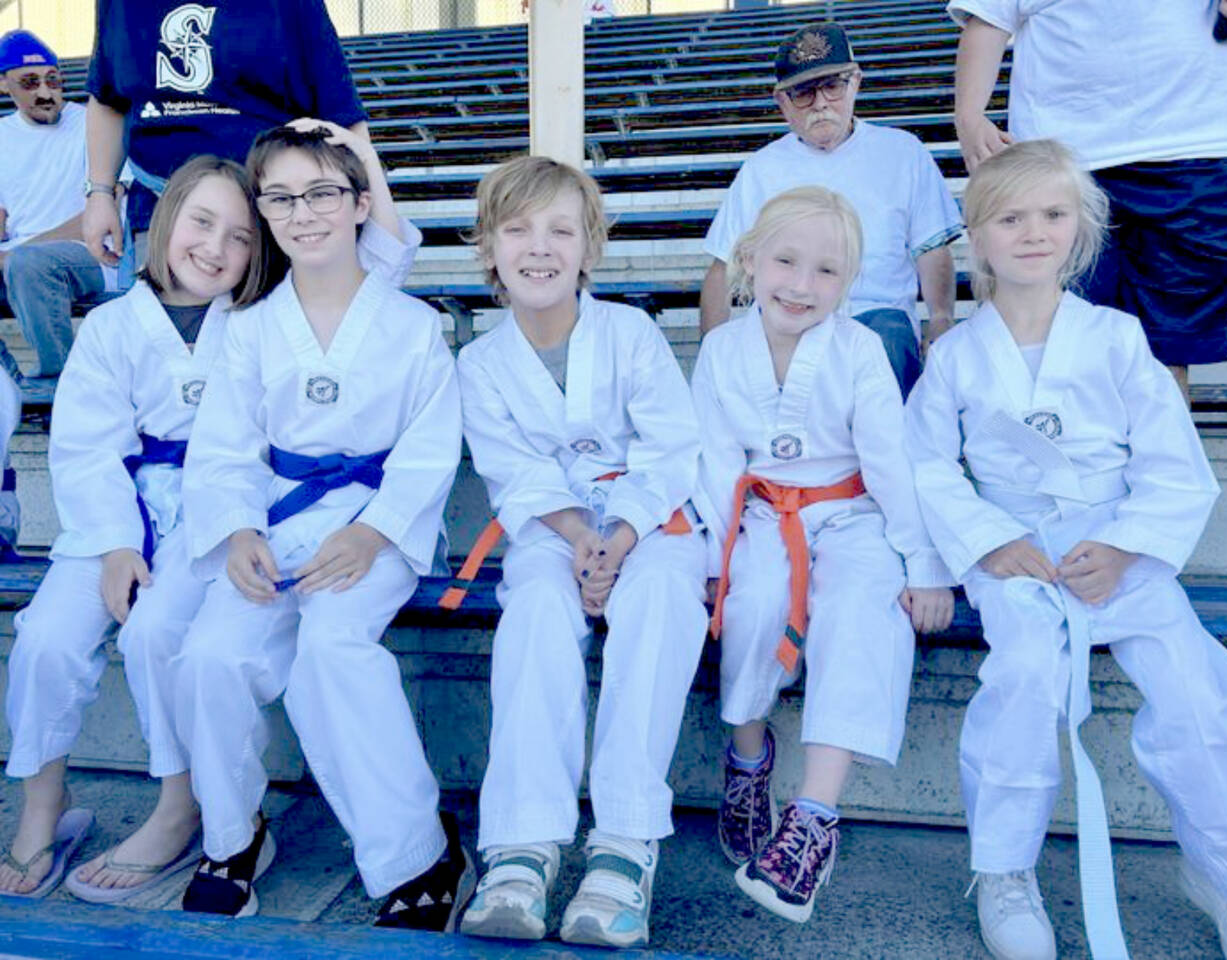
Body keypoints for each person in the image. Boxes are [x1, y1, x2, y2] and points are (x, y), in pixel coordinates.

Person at [0, 122, 421, 903]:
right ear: (163, 222)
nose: (214, 248)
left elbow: (385, 260)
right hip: (114, 517)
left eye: (238, 235)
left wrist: (360, 159)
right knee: (47, 640)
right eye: (200, 222)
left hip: (219, 516)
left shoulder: (264, 313)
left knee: (161, 632)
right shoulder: (115, 328)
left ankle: (178, 805)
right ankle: (43, 809)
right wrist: (120, 543)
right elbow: (87, 450)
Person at [906, 139, 1227, 960]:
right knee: (1026, 680)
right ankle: (1004, 871)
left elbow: (1174, 465)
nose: (1033, 232)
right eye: (1009, 217)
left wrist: (1121, 547)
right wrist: (988, 541)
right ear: (977, 234)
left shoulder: (1116, 338)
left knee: (1196, 697)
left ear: (1080, 231)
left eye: (1052, 215)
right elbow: (925, 464)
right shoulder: (959, 357)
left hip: (1119, 553)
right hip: (1019, 561)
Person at [173, 126, 469, 927]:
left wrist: (375, 532)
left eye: (323, 194)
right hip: (275, 522)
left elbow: (430, 449)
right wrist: (237, 532)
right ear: (263, 211)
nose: (303, 214)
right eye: (281, 198)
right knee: (210, 654)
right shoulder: (247, 323)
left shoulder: (412, 324)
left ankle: (417, 853)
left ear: (360, 204)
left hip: (371, 527)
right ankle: (233, 837)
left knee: (332, 649)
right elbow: (226, 447)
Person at [452, 156, 707, 949]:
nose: (540, 247)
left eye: (561, 229)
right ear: (488, 248)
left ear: (589, 248)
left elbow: (671, 448)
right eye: (518, 228)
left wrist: (621, 534)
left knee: (661, 603)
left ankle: (625, 843)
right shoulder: (478, 362)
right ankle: (523, 846)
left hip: (651, 524)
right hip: (552, 530)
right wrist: (578, 538)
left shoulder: (630, 334)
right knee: (532, 608)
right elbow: (513, 470)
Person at [692, 186, 954, 924]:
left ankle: (814, 815)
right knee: (752, 602)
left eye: (828, 272)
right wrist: (713, 560)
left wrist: (923, 564)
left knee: (864, 604)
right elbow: (714, 462)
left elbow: (891, 462)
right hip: (762, 513)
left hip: (852, 512)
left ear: (851, 282)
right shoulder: (720, 350)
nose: (803, 286)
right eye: (785, 261)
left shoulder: (859, 349)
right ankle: (748, 762)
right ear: (748, 261)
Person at [949, 0, 1227, 401]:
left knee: (1165, 351)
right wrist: (969, 117)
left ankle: (1163, 460)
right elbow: (988, 19)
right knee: (1060, 340)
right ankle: (1076, 460)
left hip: (1197, 146)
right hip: (1066, 158)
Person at [699, 21, 962, 397]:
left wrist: (940, 319)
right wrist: (713, 351)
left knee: (882, 346)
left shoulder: (903, 152)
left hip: (878, 317)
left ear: (855, 82)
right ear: (782, 102)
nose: (821, 103)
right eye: (804, 93)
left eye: (833, 85)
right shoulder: (762, 168)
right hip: (789, 317)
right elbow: (723, 266)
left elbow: (931, 248)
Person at [82, 0, 367, 270]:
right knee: (168, 320)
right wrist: (100, 193)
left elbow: (341, 115)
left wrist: (365, 213)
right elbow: (108, 99)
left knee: (270, 319)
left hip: (269, 216)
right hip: (160, 211)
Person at [1, 29, 121, 380]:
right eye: (30, 82)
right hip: (20, 257)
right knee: (24, 263)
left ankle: (61, 382)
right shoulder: (3, 136)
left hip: (93, 254)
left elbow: (104, 210)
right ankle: (8, 381)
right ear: (4, 85)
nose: (45, 93)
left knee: (28, 264)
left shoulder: (92, 125)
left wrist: (16, 252)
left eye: (53, 81)